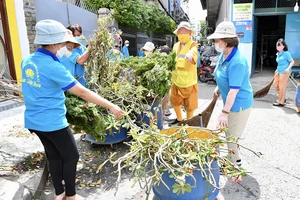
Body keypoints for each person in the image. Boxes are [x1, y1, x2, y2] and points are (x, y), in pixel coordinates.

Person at [21, 19, 124, 200]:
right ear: (54, 43)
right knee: (71, 156)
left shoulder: (27, 61)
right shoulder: (54, 67)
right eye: (63, 43)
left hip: (34, 121)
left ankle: (59, 193)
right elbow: (82, 92)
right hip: (53, 122)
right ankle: (71, 196)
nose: (66, 47)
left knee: (53, 155)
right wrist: (111, 105)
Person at [207, 20, 253, 171]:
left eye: (217, 39)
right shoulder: (224, 55)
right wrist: (218, 87)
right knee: (228, 134)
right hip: (230, 101)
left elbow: (234, 91)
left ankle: (235, 164)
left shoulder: (237, 62)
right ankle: (233, 159)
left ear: (226, 41)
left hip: (239, 104)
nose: (215, 42)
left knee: (231, 137)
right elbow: (222, 75)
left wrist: (224, 113)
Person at [169, 21, 198, 125]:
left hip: (188, 82)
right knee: (174, 101)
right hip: (176, 80)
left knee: (190, 104)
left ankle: (188, 121)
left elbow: (194, 51)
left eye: (184, 32)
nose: (182, 34)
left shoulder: (192, 44)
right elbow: (172, 59)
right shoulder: (176, 45)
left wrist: (190, 55)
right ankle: (179, 119)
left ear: (190, 33)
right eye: (180, 32)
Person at [273, 38, 294, 106]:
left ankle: (281, 101)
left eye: (280, 45)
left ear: (283, 46)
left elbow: (292, 62)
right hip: (278, 71)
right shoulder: (278, 54)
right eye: (277, 45)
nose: (278, 47)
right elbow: (279, 63)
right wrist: (277, 69)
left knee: (282, 87)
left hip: (285, 72)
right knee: (275, 85)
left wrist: (288, 69)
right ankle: (282, 97)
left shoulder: (286, 53)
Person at [159, 45, 172, 117]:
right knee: (163, 100)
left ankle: (162, 115)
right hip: (164, 85)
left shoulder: (168, 61)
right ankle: (161, 116)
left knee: (164, 101)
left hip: (166, 84)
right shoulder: (165, 61)